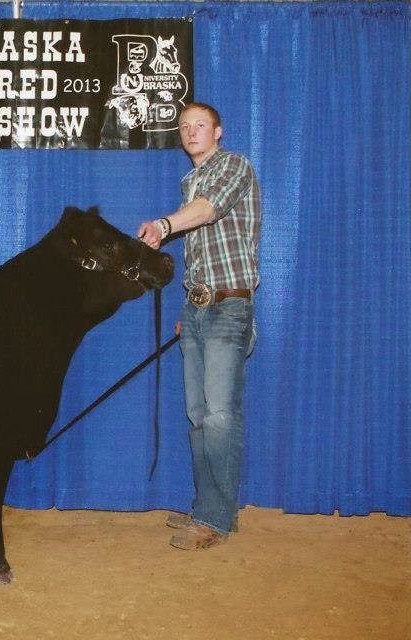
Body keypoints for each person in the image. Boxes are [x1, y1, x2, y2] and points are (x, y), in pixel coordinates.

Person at [137, 102, 261, 550]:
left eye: (200, 125)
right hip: (199, 309)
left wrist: (163, 224)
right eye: (184, 127)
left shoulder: (235, 167)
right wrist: (190, 306)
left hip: (230, 307)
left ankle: (214, 520)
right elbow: (200, 254)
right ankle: (212, 506)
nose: (191, 132)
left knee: (220, 414)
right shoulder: (189, 181)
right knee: (198, 414)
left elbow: (209, 210)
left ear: (218, 131)